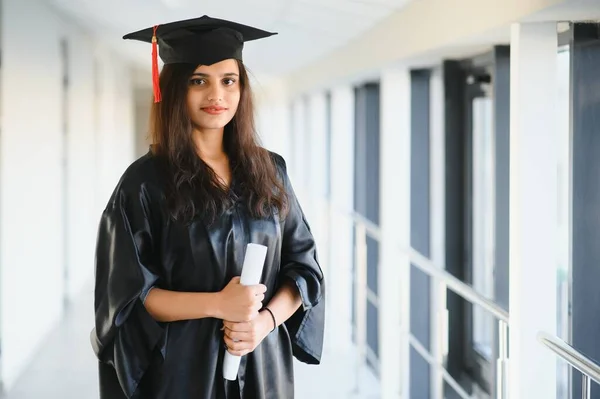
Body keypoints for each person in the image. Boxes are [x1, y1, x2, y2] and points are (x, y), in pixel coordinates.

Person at [90, 15, 325, 399]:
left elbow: (303, 270)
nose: (217, 95)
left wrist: (263, 322)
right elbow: (129, 296)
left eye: (228, 81)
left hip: (260, 363)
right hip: (182, 372)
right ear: (173, 89)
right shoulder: (144, 182)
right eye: (199, 81)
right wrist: (219, 304)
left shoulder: (271, 170)